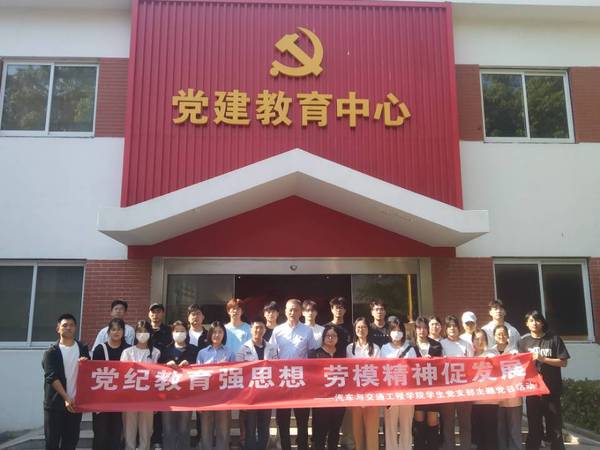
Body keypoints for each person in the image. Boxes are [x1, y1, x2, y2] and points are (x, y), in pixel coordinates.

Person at [269, 298, 318, 450]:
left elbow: (312, 353)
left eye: (296, 310)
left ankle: (302, 446)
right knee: (283, 420)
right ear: (285, 311)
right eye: (290, 309)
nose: (292, 312)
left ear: (300, 312)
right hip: (282, 381)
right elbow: (271, 353)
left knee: (302, 419)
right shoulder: (277, 331)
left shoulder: (307, 330)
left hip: (301, 380)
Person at [518, 310, 570, 450]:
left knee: (555, 426)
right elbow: (518, 364)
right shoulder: (523, 342)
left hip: (551, 390)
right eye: (531, 321)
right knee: (534, 426)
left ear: (542, 322)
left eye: (537, 320)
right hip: (533, 391)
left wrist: (543, 359)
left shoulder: (554, 339)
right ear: (526, 324)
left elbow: (564, 362)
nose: (534, 323)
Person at [42, 313, 90, 450]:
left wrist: (86, 364)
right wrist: (66, 397)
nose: (68, 328)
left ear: (76, 328)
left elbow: (89, 373)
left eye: (71, 325)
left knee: (70, 442)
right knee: (52, 443)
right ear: (58, 328)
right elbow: (51, 377)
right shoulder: (51, 352)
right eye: (65, 325)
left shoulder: (82, 348)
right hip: (55, 404)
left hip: (75, 404)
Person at [236, 317, 278, 450]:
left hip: (266, 393)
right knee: (250, 427)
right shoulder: (243, 348)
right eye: (256, 328)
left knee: (264, 427)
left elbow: (276, 368)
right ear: (251, 329)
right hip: (250, 394)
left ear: (265, 330)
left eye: (261, 328)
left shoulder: (272, 348)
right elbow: (239, 370)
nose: (258, 330)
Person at [120, 320, 161, 450]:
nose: (142, 334)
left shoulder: (156, 353)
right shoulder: (127, 352)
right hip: (130, 397)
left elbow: (159, 376)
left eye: (145, 331)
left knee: (146, 431)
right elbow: (122, 374)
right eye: (139, 331)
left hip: (148, 398)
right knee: (129, 429)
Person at [159, 321, 199, 450]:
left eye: (182, 331)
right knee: (168, 428)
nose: (179, 333)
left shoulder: (193, 350)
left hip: (186, 396)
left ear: (187, 333)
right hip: (168, 396)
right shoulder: (165, 350)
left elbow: (201, 369)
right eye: (177, 331)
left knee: (184, 427)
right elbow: (157, 370)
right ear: (172, 333)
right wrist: (166, 365)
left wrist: (191, 364)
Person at [91, 318, 130, 450]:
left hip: (120, 400)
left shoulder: (128, 350)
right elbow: (93, 373)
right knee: (101, 434)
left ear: (123, 332)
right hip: (101, 400)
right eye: (113, 329)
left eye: (119, 329)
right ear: (108, 332)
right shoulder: (100, 349)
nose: (116, 332)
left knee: (116, 434)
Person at [197, 321, 234, 450]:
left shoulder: (230, 353)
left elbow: (235, 376)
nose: (217, 335)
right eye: (214, 332)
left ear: (224, 334)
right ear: (209, 334)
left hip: (224, 397)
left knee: (223, 430)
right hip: (206, 398)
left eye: (220, 332)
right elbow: (197, 377)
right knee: (206, 430)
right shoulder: (202, 353)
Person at [381, 316, 416, 450]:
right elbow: (380, 370)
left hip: (407, 394)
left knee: (406, 426)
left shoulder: (410, 349)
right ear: (389, 332)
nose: (397, 332)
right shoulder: (384, 349)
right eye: (393, 329)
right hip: (390, 393)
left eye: (399, 329)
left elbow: (415, 370)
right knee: (390, 427)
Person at [309, 324, 346, 450]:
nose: (330, 338)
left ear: (338, 338)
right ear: (323, 337)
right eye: (328, 336)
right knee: (320, 431)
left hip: (339, 399)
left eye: (334, 336)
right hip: (321, 400)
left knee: (335, 430)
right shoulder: (315, 354)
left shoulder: (342, 354)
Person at [439, 315, 474, 450]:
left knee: (465, 422)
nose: (452, 329)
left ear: (459, 328)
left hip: (464, 389)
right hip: (447, 389)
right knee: (448, 422)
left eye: (454, 326)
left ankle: (466, 447)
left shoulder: (466, 344)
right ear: (446, 329)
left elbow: (472, 365)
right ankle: (449, 447)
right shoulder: (441, 344)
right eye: (449, 326)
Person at [346, 317, 381, 450]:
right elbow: (348, 371)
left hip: (371, 394)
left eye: (364, 327)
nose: (361, 330)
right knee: (357, 430)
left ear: (368, 329)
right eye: (358, 327)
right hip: (356, 395)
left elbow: (378, 371)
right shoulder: (350, 348)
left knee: (372, 430)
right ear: (355, 330)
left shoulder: (375, 348)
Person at [324, 296, 354, 450]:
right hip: (328, 375)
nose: (339, 310)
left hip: (347, 373)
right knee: (328, 410)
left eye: (341, 307)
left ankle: (347, 441)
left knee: (346, 409)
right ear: (331, 309)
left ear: (345, 310)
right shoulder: (326, 328)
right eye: (336, 307)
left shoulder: (351, 327)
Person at [413, 316, 443, 450]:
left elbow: (441, 365)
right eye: (419, 328)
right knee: (419, 421)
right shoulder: (410, 346)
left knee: (432, 421)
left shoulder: (436, 345)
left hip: (432, 388)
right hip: (416, 389)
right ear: (415, 329)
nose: (422, 330)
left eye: (425, 328)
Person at [491, 325, 523, 450]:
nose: (501, 336)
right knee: (500, 429)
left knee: (515, 429)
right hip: (496, 397)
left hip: (513, 397)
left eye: (504, 334)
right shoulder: (489, 353)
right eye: (498, 334)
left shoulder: (515, 352)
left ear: (508, 336)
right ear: (494, 336)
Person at [147, 303, 172, 446]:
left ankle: (157, 440)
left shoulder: (168, 331)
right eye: (153, 312)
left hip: (163, 376)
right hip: (146, 376)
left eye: (158, 312)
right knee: (146, 408)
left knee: (160, 409)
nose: (155, 315)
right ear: (149, 314)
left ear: (162, 314)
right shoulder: (144, 329)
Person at [471, 330, 498, 450]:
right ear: (472, 341)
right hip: (474, 401)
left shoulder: (492, 356)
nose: (480, 341)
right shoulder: (468, 358)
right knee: (478, 435)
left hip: (491, 401)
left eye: (482, 339)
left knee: (491, 434)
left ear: (487, 341)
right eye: (477, 339)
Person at [186, 303, 208, 447]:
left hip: (203, 378)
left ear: (203, 317)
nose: (195, 316)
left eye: (198, 313)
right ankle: (185, 437)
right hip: (185, 378)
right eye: (192, 314)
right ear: (188, 317)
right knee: (185, 409)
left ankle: (201, 437)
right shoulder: (182, 333)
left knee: (202, 410)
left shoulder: (209, 335)